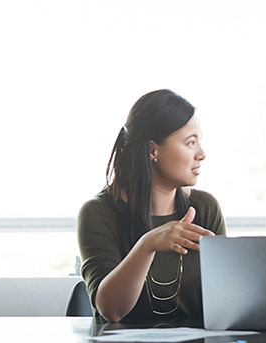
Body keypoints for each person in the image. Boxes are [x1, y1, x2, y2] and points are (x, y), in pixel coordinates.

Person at [78, 89, 226, 324]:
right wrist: (148, 244)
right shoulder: (98, 213)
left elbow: (225, 300)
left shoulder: (204, 208)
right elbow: (111, 310)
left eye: (200, 142)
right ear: (152, 150)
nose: (202, 154)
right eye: (190, 143)